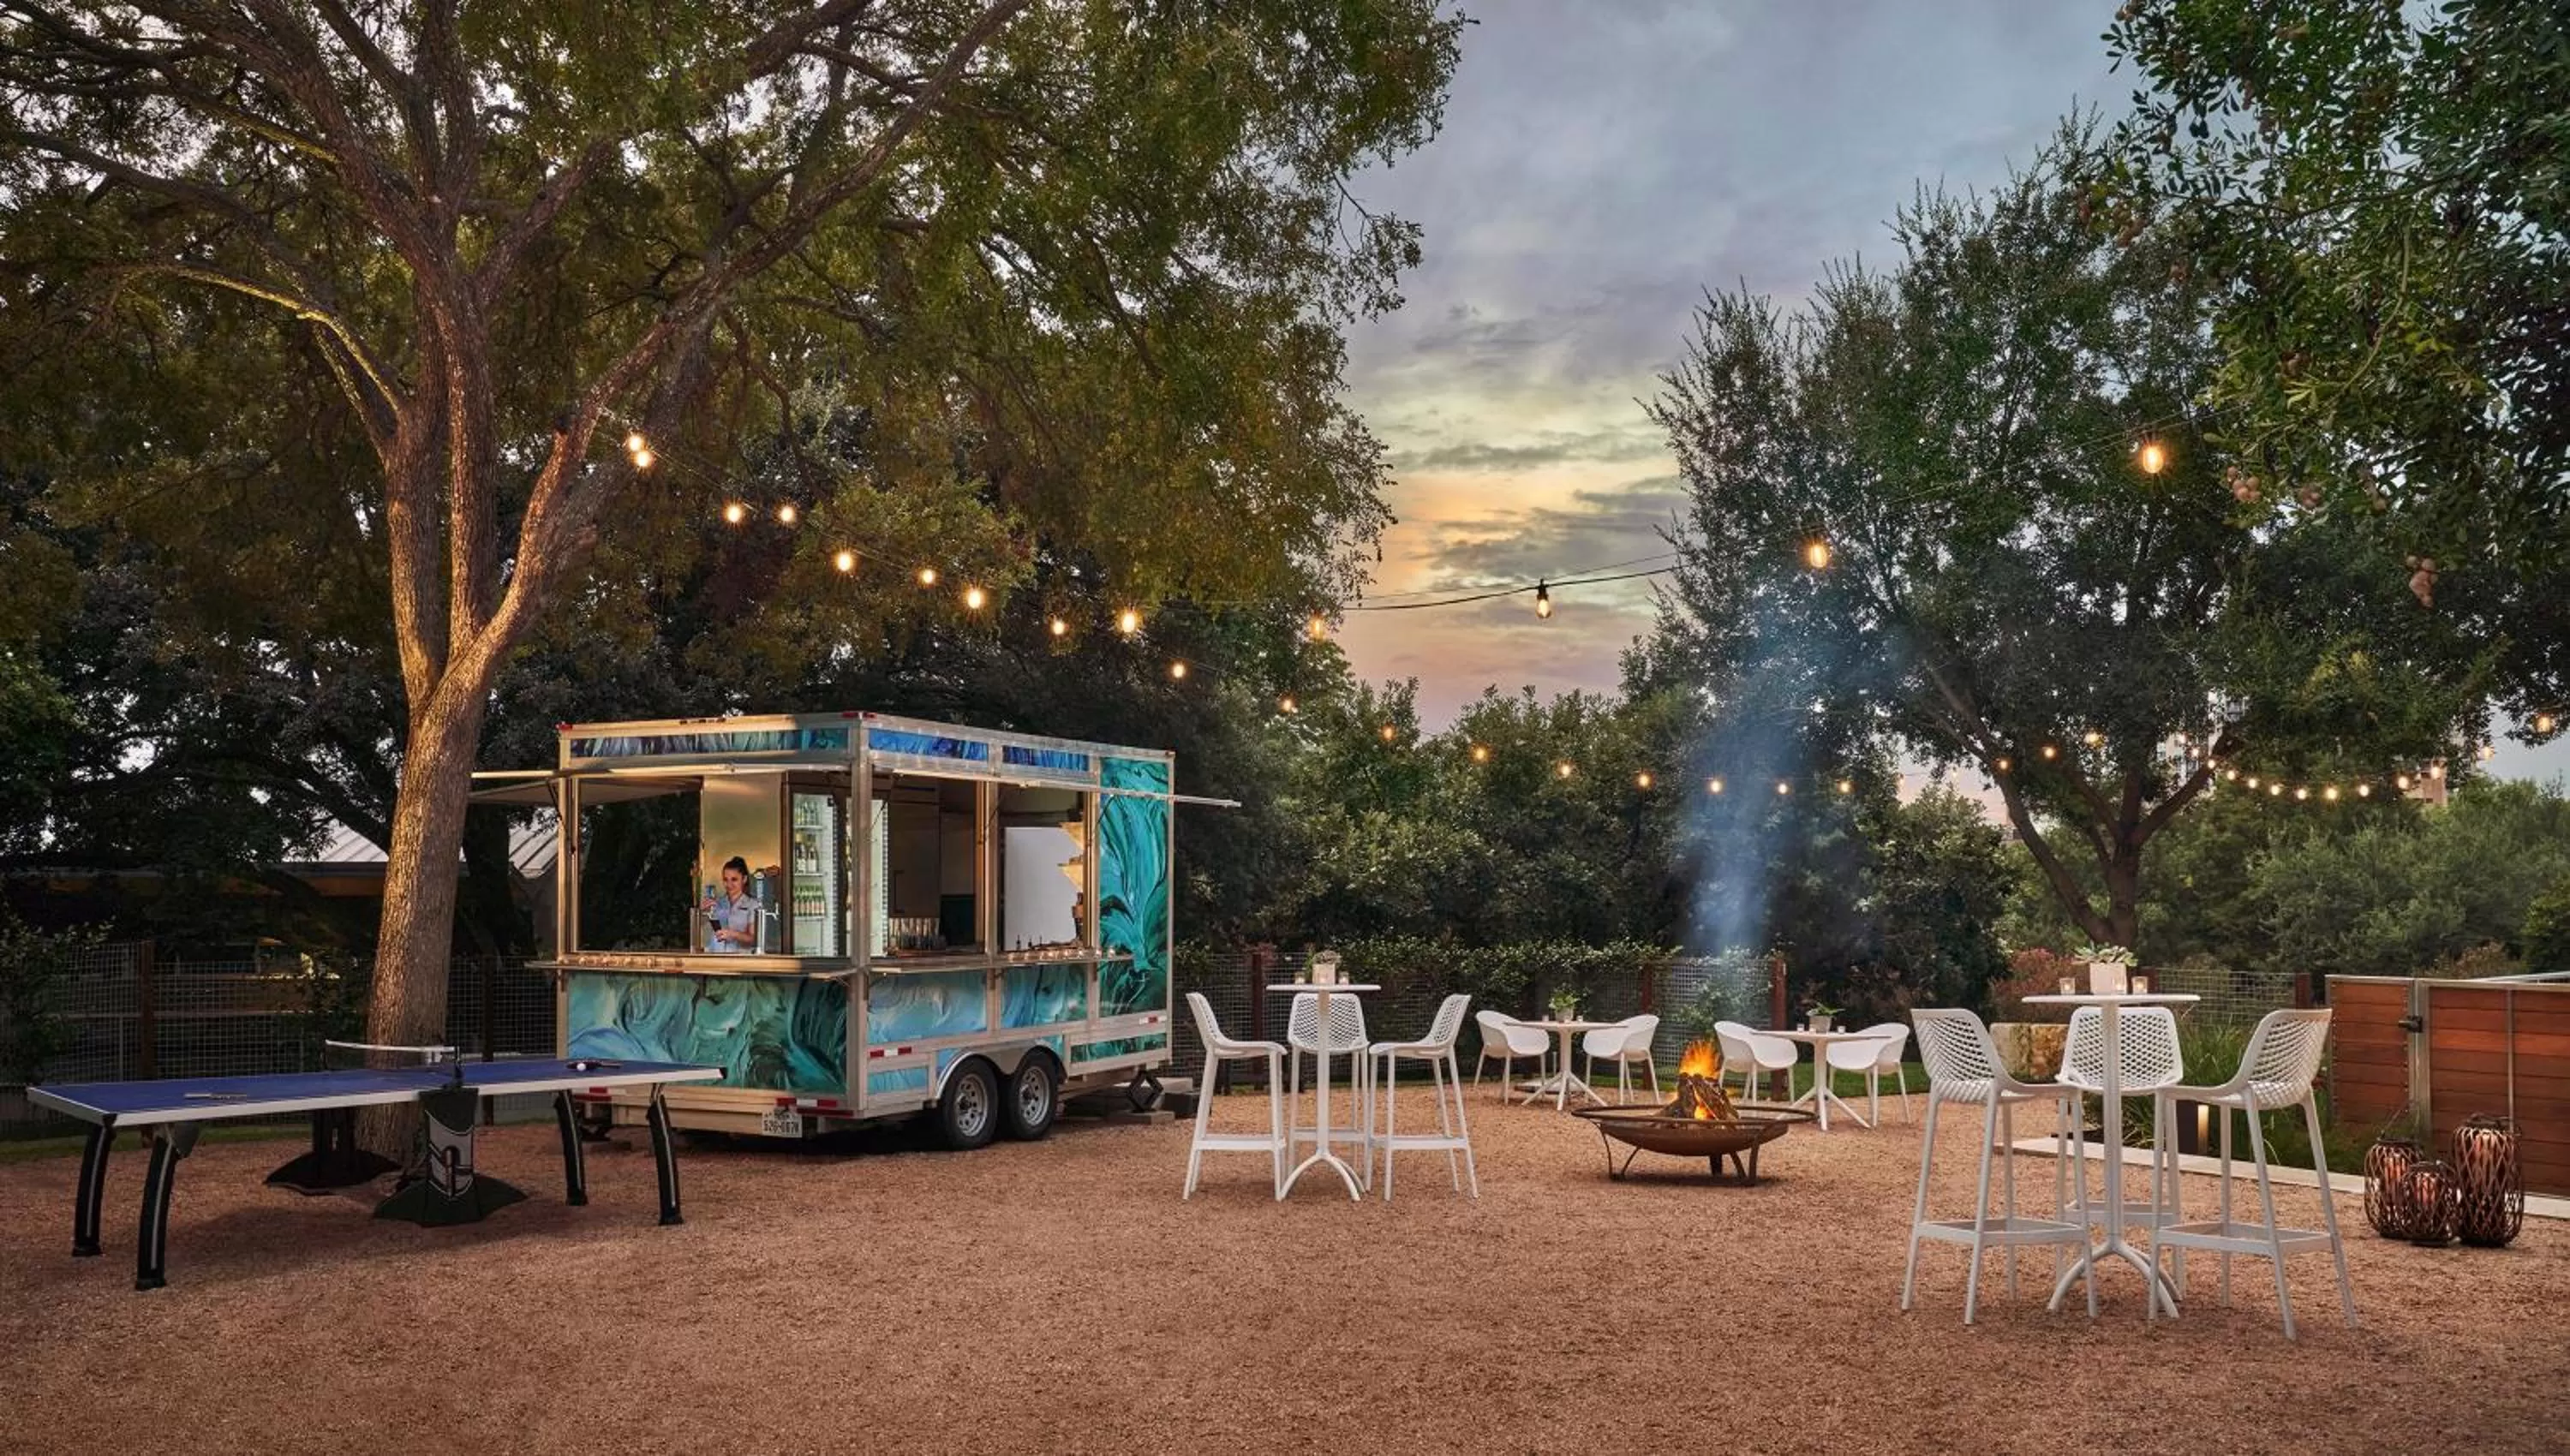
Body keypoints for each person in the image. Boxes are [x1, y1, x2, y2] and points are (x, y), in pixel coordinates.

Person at [702, 856, 762, 952]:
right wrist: (703, 912)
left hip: (739, 960)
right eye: (726, 879)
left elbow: (754, 939)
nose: (729, 884)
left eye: (734, 879)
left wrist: (734, 934)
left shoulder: (752, 904)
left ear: (744, 879)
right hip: (716, 958)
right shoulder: (718, 903)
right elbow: (700, 926)